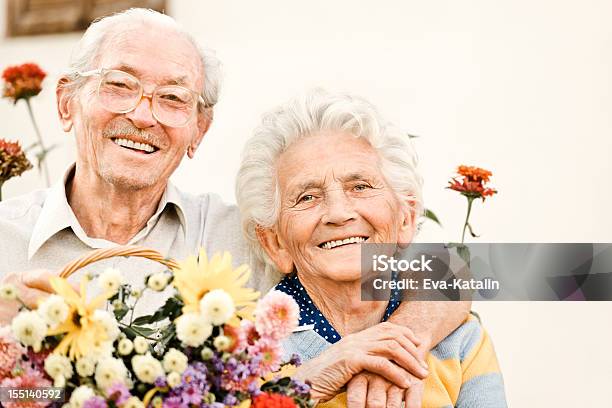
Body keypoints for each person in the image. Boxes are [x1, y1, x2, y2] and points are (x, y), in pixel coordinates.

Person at [0, 9, 470, 406]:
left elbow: (467, 271)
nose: (143, 115)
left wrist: (398, 343)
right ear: (65, 103)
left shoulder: (242, 238)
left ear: (198, 131)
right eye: (119, 85)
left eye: (172, 98)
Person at [236, 89, 507, 407]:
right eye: (307, 196)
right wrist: (307, 383)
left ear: (405, 217)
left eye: (360, 187)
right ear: (275, 242)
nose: (339, 213)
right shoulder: (239, 347)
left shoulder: (460, 339)